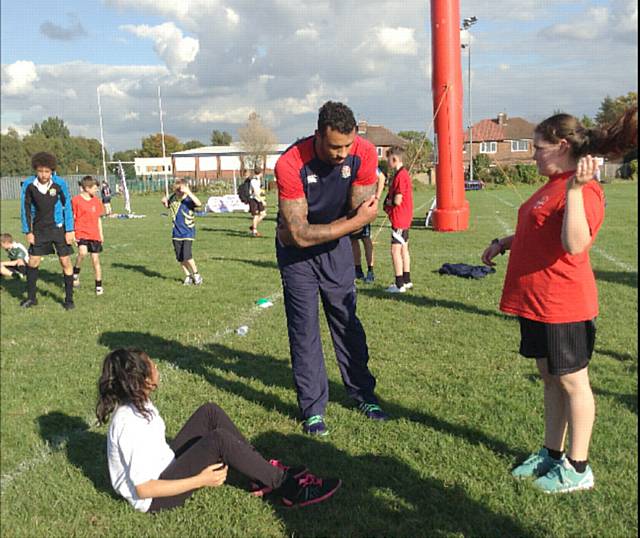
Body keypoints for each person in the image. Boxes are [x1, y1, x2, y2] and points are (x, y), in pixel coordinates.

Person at [481, 107, 637, 494]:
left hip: (563, 304)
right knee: (550, 379)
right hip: (536, 303)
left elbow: (575, 243)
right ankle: (552, 453)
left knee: (573, 383)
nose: (532, 154)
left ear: (561, 146)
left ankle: (578, 467)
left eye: (538, 147)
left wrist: (575, 191)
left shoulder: (583, 189)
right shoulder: (550, 184)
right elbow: (539, 232)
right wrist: (504, 243)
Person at [97, 348, 341, 512]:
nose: (157, 367)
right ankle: (289, 488)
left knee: (209, 412)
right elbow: (144, 488)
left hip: (165, 467)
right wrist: (201, 479)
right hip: (155, 498)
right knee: (219, 440)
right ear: (142, 380)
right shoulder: (128, 422)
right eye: (152, 365)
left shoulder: (139, 401)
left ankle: (260, 473)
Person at [275, 100, 387, 436]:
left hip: (335, 249)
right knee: (304, 328)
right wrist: (354, 221)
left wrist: (352, 221)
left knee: (346, 319)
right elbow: (297, 234)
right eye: (335, 147)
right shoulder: (290, 162)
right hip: (296, 255)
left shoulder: (364, 153)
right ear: (317, 137)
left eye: (347, 146)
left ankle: (363, 393)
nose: (342, 154)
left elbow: (358, 218)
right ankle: (312, 409)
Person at [20, 152, 76, 309]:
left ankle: (69, 300)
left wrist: (70, 229)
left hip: (58, 229)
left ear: (52, 171)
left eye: (47, 171)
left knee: (65, 261)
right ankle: (31, 298)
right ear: (35, 170)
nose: (43, 175)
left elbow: (67, 207)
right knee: (33, 261)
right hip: (39, 230)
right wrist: (28, 231)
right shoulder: (29, 185)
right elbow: (25, 209)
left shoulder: (60, 184)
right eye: (40, 171)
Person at [162, 179, 203, 285]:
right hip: (176, 232)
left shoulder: (188, 199)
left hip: (188, 231)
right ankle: (188, 276)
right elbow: (169, 206)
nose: (178, 192)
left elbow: (199, 203)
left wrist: (188, 192)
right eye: (176, 190)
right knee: (180, 257)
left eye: (180, 190)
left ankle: (197, 275)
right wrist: (164, 203)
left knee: (187, 255)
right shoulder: (173, 198)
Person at [383, 146, 414, 293]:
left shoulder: (401, 176)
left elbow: (397, 200)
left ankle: (399, 284)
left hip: (399, 218)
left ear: (394, 159)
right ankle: (407, 280)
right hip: (405, 217)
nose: (387, 162)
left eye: (388, 159)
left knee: (395, 250)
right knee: (404, 249)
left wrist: (387, 202)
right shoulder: (403, 174)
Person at [351, 168, 386, 283]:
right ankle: (358, 270)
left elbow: (381, 177)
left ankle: (370, 271)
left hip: (364, 206)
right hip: (351, 208)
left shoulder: (367, 162)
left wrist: (377, 197)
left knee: (366, 239)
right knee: (353, 240)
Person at [72, 176, 105, 295]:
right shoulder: (76, 201)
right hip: (81, 233)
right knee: (82, 253)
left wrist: (101, 234)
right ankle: (75, 273)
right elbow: (72, 217)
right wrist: (72, 234)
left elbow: (98, 219)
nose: (97, 190)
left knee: (95, 260)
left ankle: (99, 287)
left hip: (94, 234)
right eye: (95, 187)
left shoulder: (97, 201)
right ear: (87, 188)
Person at [249, 166, 267, 237]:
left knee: (263, 214)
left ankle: (253, 226)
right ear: (260, 173)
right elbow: (256, 192)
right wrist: (262, 201)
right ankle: (254, 231)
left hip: (258, 199)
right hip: (254, 199)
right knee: (256, 215)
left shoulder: (259, 180)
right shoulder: (253, 180)